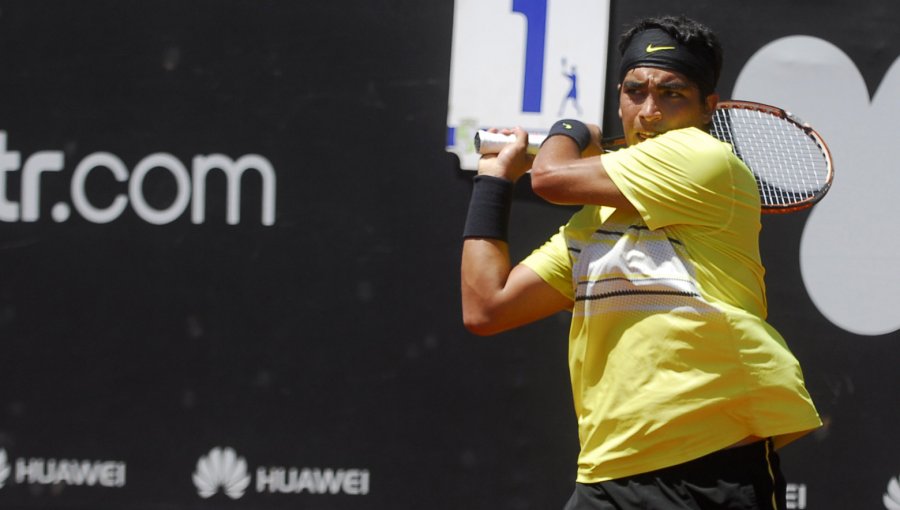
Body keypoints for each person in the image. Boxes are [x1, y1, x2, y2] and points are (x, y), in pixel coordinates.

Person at [460, 15, 821, 510]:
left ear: (706, 110)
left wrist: (570, 130)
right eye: (635, 91)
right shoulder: (596, 220)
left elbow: (550, 179)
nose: (649, 112)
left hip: (709, 465)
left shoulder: (703, 158)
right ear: (620, 96)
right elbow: (488, 306)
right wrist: (493, 181)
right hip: (609, 472)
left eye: (672, 93)